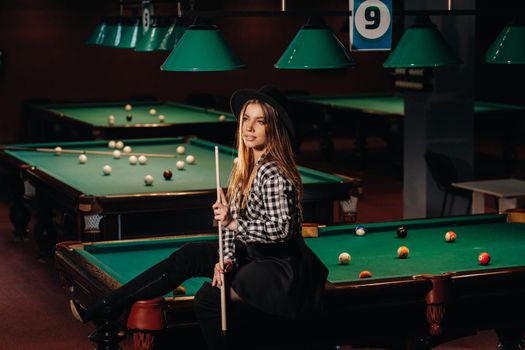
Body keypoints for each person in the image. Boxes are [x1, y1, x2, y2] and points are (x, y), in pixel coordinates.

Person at [69, 85, 328, 350]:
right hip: (253, 254)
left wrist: (233, 223)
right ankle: (108, 306)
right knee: (189, 255)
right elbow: (230, 226)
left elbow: (280, 230)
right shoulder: (245, 167)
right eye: (245, 119)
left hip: (281, 265)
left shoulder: (273, 173)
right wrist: (226, 258)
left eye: (259, 121)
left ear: (274, 128)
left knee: (208, 299)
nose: (249, 128)